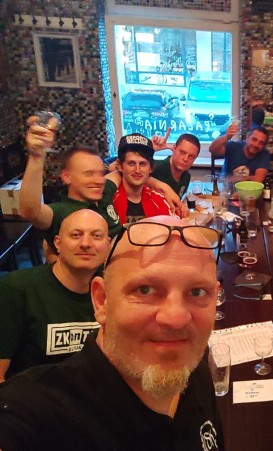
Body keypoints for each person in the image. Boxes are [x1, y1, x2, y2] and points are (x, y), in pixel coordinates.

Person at [0, 216, 224, 450]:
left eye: (197, 292)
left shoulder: (193, 366)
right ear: (101, 301)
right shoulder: (37, 410)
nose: (176, 319)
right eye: (145, 290)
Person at [0, 209, 110, 381]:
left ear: (108, 245)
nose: (86, 243)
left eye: (96, 236)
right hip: (31, 394)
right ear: (58, 243)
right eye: (76, 235)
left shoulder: (112, 291)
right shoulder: (16, 288)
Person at [20, 116, 121, 261]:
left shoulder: (104, 192)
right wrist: (37, 156)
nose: (99, 180)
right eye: (89, 174)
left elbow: (122, 172)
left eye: (101, 173)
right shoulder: (61, 212)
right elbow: (30, 211)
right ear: (66, 177)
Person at [104, 133, 172, 224]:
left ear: (151, 168)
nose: (137, 170)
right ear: (120, 166)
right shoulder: (108, 198)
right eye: (131, 163)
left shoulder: (159, 201)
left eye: (142, 164)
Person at [151, 129, 201, 200]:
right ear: (174, 148)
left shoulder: (186, 177)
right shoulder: (155, 167)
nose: (185, 159)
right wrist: (150, 149)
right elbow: (134, 170)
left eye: (191, 156)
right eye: (182, 152)